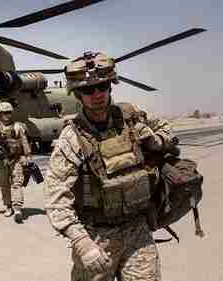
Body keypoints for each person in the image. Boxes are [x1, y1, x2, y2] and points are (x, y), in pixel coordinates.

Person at [44, 52, 174, 281]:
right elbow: (56, 198)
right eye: (88, 90)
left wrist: (156, 141)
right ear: (77, 94)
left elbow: (168, 131)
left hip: (138, 231)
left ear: (110, 86)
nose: (97, 94)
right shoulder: (72, 138)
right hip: (97, 236)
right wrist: (82, 243)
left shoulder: (132, 117)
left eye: (102, 86)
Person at [0, 102, 32, 223]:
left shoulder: (17, 127)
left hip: (16, 160)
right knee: (4, 185)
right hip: (2, 161)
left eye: (8, 112)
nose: (6, 115)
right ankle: (8, 206)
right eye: (4, 113)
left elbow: (24, 142)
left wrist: (28, 156)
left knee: (17, 183)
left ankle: (17, 208)